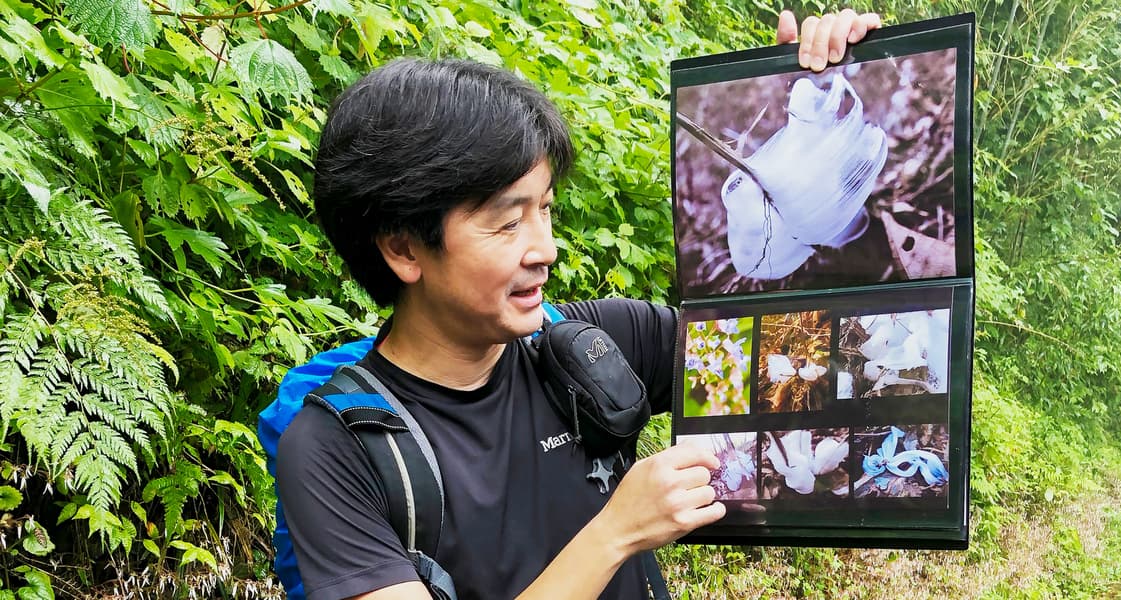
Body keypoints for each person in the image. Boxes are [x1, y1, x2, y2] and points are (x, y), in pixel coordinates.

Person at [274, 9, 881, 600]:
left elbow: (809, 347)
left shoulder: (590, 344)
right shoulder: (335, 450)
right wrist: (617, 533)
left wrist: (809, 99)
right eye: (508, 223)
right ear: (404, 247)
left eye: (546, 209)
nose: (547, 249)